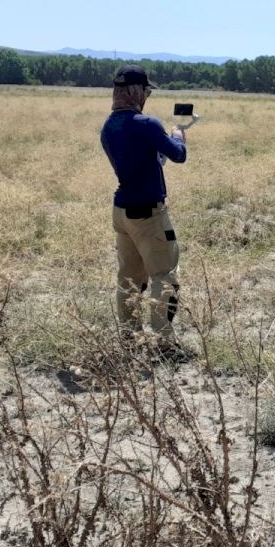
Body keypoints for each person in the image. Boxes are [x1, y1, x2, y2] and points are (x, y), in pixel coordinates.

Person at [100, 64, 188, 354]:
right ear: (136, 91)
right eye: (146, 90)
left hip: (122, 212)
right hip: (148, 214)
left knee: (129, 278)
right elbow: (179, 155)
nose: (147, 96)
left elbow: (141, 161)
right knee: (165, 275)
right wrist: (178, 134)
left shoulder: (109, 126)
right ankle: (165, 344)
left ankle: (130, 338)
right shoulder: (147, 124)